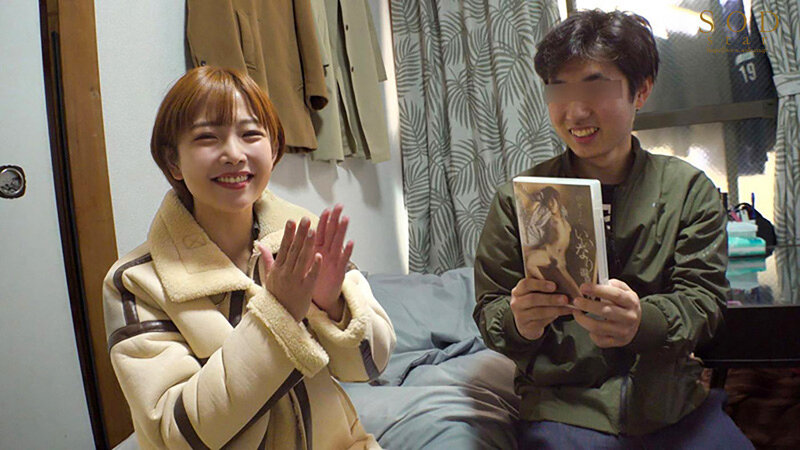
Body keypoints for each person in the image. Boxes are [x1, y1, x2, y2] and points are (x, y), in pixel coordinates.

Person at [473, 9, 754, 448]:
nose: (575, 111)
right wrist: (518, 321)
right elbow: (490, 307)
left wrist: (644, 322)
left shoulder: (687, 190)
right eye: (559, 90)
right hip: (562, 407)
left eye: (596, 88)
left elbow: (704, 301)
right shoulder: (520, 199)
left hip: (671, 404)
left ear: (641, 91)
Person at [103, 66, 395, 449]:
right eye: (207, 137)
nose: (234, 154)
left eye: (251, 134)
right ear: (174, 162)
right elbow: (177, 436)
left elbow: (369, 365)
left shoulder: (303, 236)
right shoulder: (137, 282)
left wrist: (333, 305)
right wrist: (278, 315)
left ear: (273, 150)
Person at [519, 186, 582, 300]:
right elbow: (534, 216)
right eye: (548, 202)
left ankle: (551, 288)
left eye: (553, 201)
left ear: (557, 200)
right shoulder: (550, 219)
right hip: (549, 253)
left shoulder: (562, 221)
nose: (551, 204)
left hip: (557, 256)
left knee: (573, 288)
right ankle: (548, 287)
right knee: (529, 261)